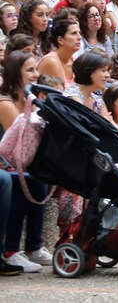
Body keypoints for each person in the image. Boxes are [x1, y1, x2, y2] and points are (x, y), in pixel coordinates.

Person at [0, 51, 50, 273]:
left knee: (39, 176)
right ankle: (11, 250)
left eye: (36, 69)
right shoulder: (6, 103)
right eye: (30, 70)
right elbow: (18, 145)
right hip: (6, 161)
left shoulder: (30, 100)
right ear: (15, 74)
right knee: (24, 180)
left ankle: (34, 247)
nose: (36, 75)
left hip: (17, 162)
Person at [37, 18, 81, 85]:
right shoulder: (51, 62)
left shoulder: (75, 61)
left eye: (79, 33)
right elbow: (60, 94)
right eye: (74, 33)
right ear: (60, 40)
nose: (79, 37)